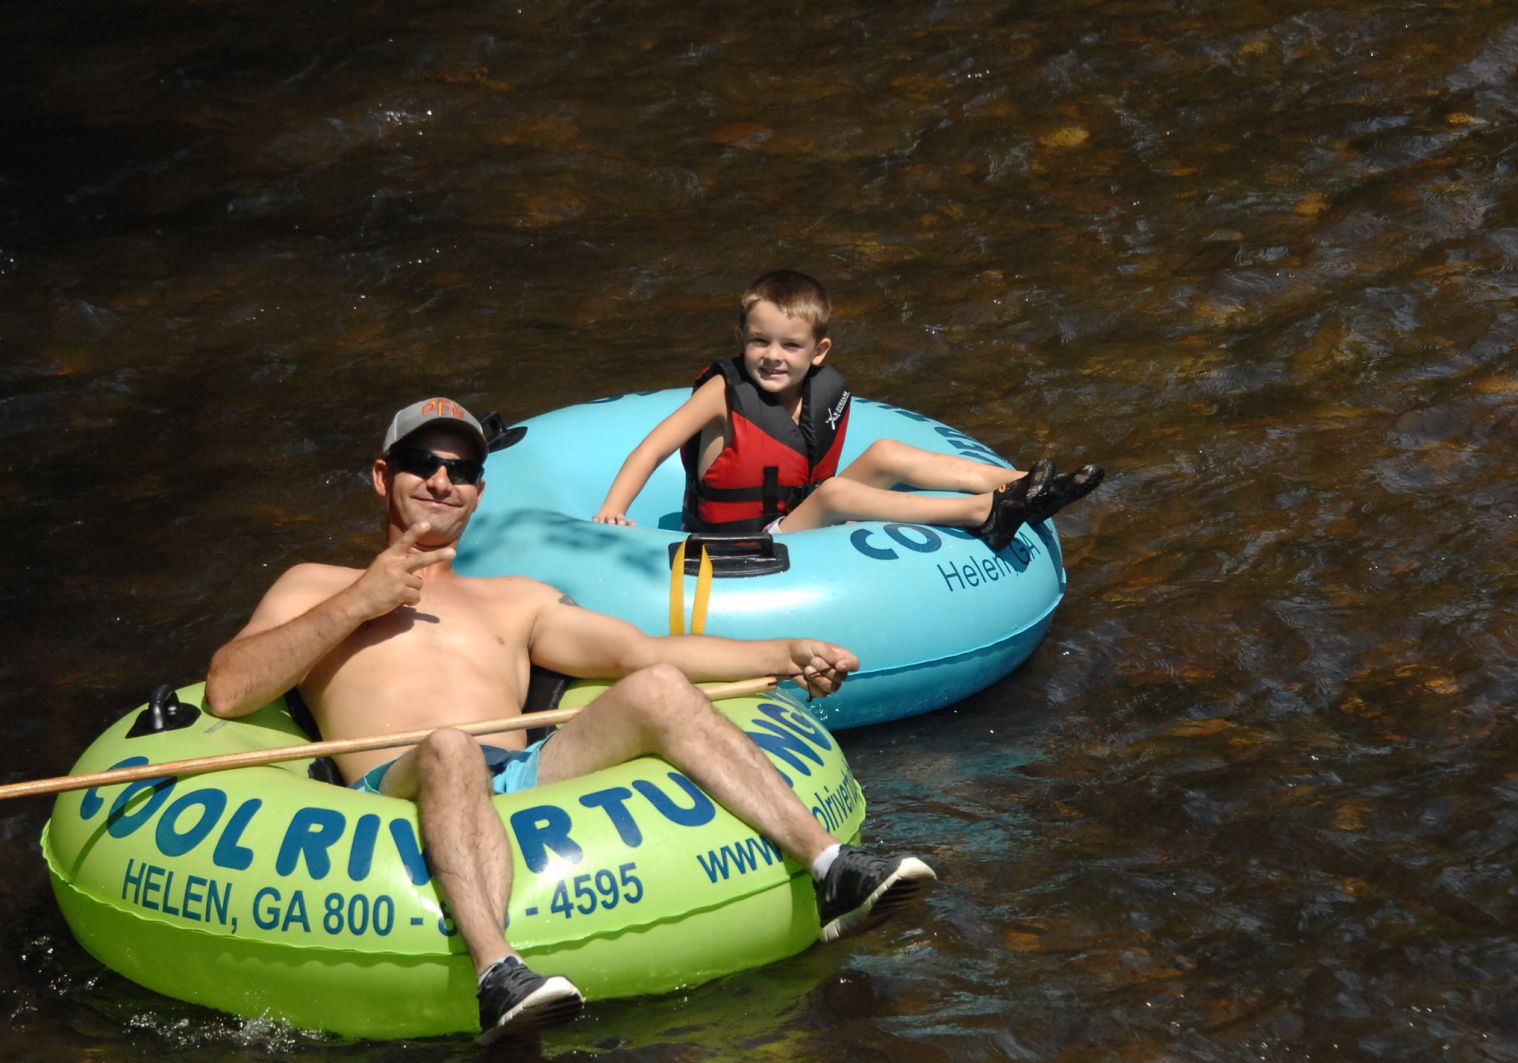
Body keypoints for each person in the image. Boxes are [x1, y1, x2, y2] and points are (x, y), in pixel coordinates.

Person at [204, 397, 936, 1044]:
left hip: (523, 778)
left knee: (657, 684)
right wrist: (361, 599)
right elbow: (230, 692)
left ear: (477, 492)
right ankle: (498, 973)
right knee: (450, 746)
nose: (440, 481)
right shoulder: (315, 585)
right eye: (421, 463)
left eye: (459, 471)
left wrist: (785, 648)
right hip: (397, 787)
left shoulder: (513, 599)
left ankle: (832, 867)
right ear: (381, 475)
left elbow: (643, 648)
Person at [592, 269, 1103, 548]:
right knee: (836, 492)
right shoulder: (722, 395)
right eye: (759, 342)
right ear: (741, 340)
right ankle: (981, 514)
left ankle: (1025, 485)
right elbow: (651, 448)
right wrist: (613, 508)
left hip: (791, 515)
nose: (773, 356)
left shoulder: (820, 392)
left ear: (819, 352)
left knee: (883, 452)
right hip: (739, 543)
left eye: (790, 346)